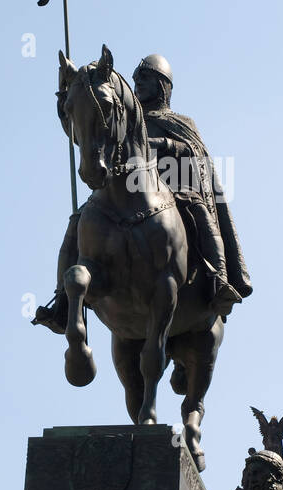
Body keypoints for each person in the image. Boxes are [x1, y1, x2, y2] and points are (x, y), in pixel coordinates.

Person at [33, 52, 251, 332]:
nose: (139, 84)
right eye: (136, 79)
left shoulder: (180, 121)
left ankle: (220, 280)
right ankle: (63, 302)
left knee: (198, 210)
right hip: (121, 192)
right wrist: (65, 97)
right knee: (78, 220)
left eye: (146, 78)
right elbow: (84, 132)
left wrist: (162, 145)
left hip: (174, 188)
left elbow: (194, 153)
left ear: (163, 85)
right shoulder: (122, 116)